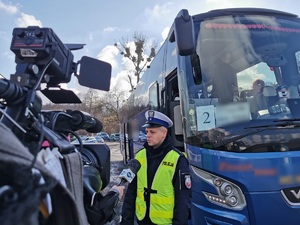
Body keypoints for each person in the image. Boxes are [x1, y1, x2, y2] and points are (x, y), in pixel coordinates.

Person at [120, 110, 191, 225]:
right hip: (142, 220)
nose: (147, 135)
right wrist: (126, 221)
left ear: (164, 133)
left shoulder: (178, 159)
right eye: (147, 131)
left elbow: (183, 200)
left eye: (152, 132)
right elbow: (131, 193)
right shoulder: (140, 156)